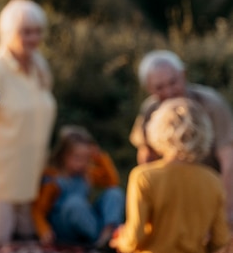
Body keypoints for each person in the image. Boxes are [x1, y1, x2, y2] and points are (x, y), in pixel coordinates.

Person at [0, 0, 57, 252]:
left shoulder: (40, 66)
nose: (33, 38)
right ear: (8, 32)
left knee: (26, 245)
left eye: (38, 31)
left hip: (32, 177)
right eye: (26, 32)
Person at [111, 97, 230, 253]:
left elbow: (134, 238)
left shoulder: (144, 177)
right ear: (204, 132)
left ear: (157, 130)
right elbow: (220, 240)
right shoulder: (213, 180)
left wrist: (119, 240)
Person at [129, 49, 233, 225]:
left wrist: (225, 210)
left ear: (183, 75)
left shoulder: (211, 104)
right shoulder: (150, 109)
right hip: (173, 191)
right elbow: (146, 156)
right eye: (159, 87)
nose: (169, 92)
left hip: (210, 187)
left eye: (173, 82)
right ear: (148, 88)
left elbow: (229, 160)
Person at [31, 125, 124, 249]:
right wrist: (44, 230)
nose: (82, 163)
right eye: (77, 158)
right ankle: (101, 242)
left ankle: (108, 234)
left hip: (86, 223)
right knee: (75, 204)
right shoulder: (53, 177)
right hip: (64, 226)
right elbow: (38, 210)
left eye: (86, 158)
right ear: (64, 155)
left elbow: (112, 182)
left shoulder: (87, 174)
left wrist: (99, 157)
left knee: (115, 193)